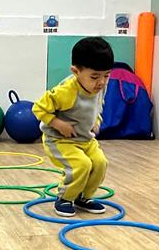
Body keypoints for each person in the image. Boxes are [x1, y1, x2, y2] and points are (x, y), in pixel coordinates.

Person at [32, 37, 113, 217]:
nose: (101, 82)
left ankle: (83, 198)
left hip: (85, 139)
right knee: (81, 165)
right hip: (59, 140)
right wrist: (59, 124)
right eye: (95, 77)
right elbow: (38, 108)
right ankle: (65, 198)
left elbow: (98, 106)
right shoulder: (66, 91)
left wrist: (96, 121)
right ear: (76, 71)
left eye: (107, 75)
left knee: (100, 163)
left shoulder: (99, 87)